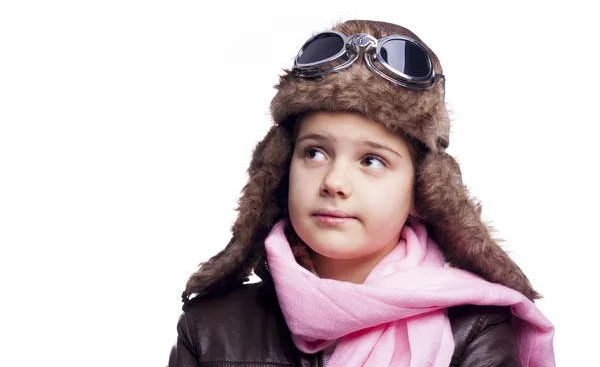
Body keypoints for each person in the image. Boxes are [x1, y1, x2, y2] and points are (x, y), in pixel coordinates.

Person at [167, 20, 555, 366]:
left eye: (372, 161)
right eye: (314, 153)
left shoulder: (475, 330)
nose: (334, 181)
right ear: (283, 169)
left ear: (422, 191)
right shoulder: (209, 330)